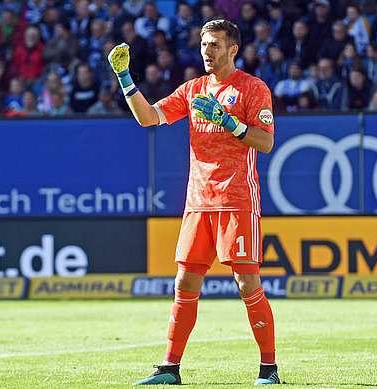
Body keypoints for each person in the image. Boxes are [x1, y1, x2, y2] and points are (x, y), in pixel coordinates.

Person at [108, 19, 279, 386]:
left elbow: (265, 142)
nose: (207, 51)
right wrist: (125, 79)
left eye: (215, 45)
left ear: (233, 49)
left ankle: (268, 370)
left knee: (247, 282)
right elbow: (148, 118)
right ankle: (170, 369)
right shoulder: (193, 89)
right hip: (198, 203)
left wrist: (229, 123)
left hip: (236, 200)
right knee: (185, 282)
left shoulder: (253, 88)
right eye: (204, 44)